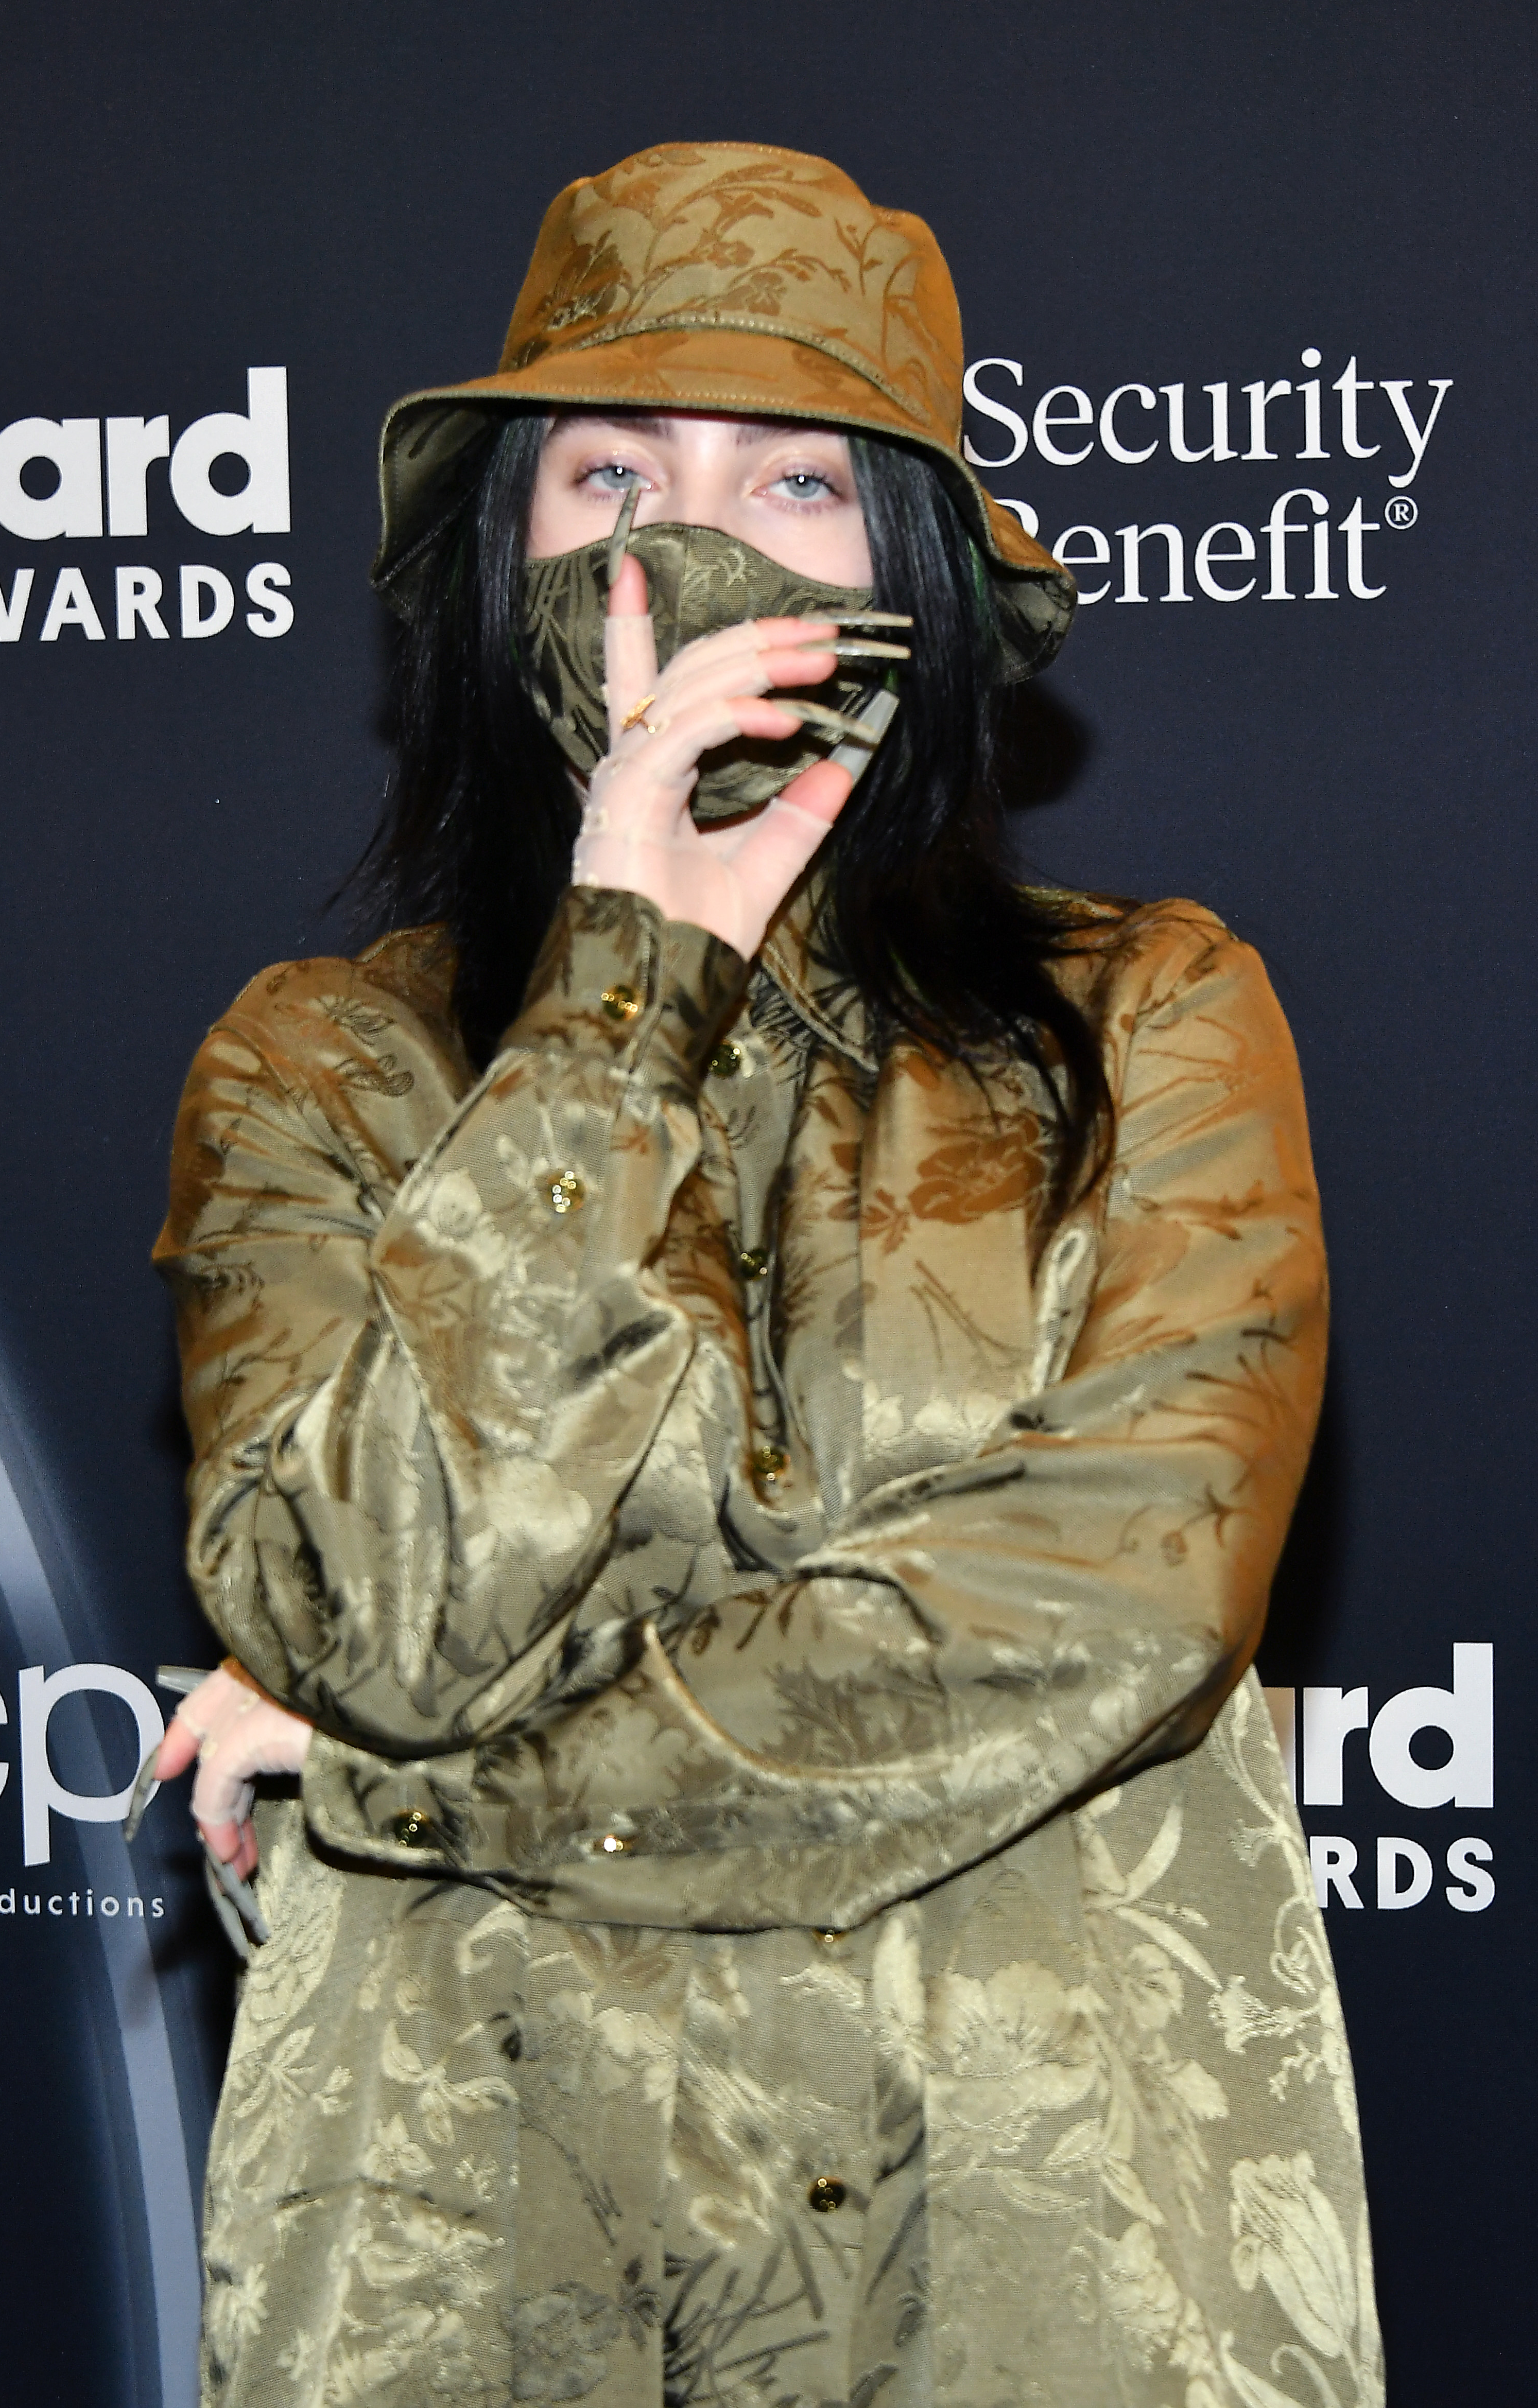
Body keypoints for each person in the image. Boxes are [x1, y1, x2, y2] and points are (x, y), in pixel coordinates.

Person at [147, 143, 1383, 2408]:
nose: (686, 549)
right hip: (483, 2241)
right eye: (608, 467)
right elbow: (357, 1609)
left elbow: (1114, 1608)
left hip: (1041, 2241)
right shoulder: (320, 1067)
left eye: (799, 481)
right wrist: (635, 972)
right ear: (500, 552)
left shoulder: (1159, 1023)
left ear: (910, 572)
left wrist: (421, 1791)